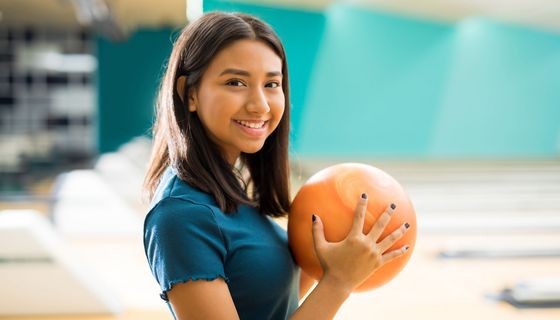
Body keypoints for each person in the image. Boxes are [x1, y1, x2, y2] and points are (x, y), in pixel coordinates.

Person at [143, 11, 411, 320]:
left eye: (272, 84)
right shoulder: (181, 214)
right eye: (235, 82)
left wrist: (327, 257)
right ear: (189, 94)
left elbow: (271, 304)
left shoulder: (228, 191)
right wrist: (338, 282)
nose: (260, 104)